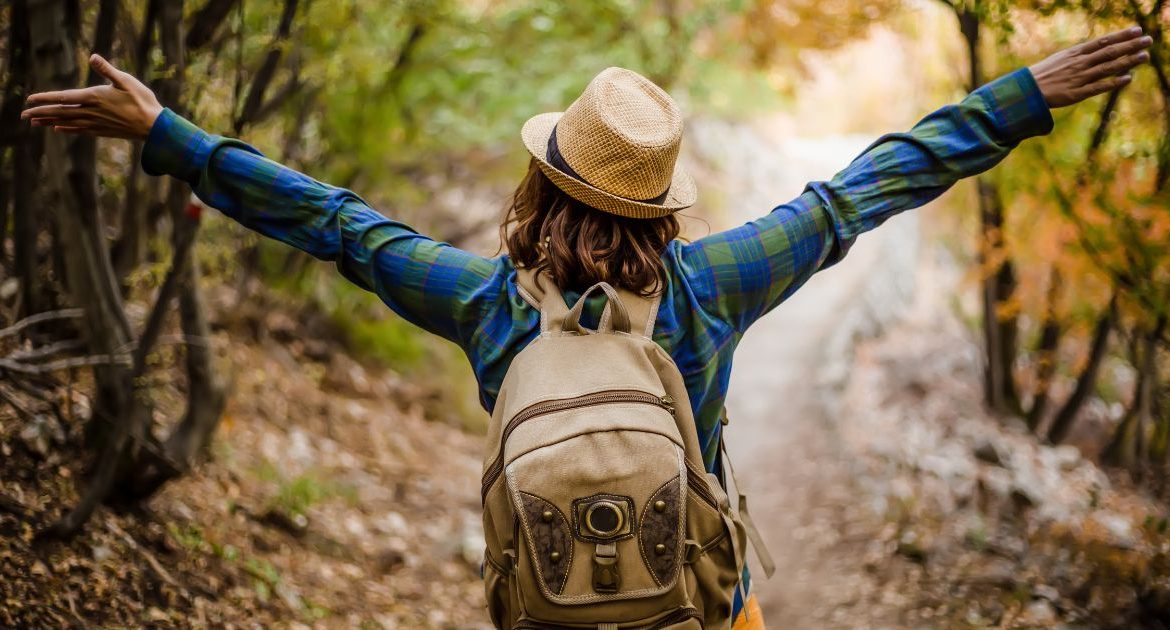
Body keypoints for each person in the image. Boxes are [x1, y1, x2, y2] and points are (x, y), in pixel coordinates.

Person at [22, 26, 1152, 628]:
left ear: (541, 175)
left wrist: (168, 132)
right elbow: (863, 190)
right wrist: (1022, 96)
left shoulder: (482, 300)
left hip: (553, 603)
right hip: (703, 605)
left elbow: (335, 225)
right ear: (660, 202)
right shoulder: (713, 285)